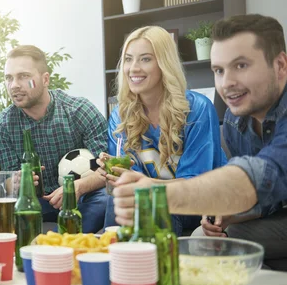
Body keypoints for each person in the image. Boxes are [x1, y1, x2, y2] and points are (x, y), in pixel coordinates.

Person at [113, 14, 287, 269]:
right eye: (219, 70)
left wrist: (155, 194)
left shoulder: (201, 110)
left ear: (280, 65)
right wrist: (228, 213)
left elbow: (266, 173)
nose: (227, 83)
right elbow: (267, 197)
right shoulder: (233, 121)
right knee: (204, 238)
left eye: (241, 66)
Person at [96, 26, 227, 236]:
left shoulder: (198, 109)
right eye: (128, 59)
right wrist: (116, 174)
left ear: (164, 64)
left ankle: (152, 265)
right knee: (121, 196)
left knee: (154, 200)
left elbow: (195, 183)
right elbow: (131, 183)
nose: (133, 68)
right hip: (152, 202)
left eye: (145, 59)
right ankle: (113, 260)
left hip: (199, 204)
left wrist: (144, 185)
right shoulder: (120, 116)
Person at [0, 45, 108, 233]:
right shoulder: (3, 124)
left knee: (106, 198)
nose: (14, 85)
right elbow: (7, 181)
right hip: (36, 202)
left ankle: (72, 242)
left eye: (23, 76)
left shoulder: (80, 110)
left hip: (82, 197)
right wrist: (15, 182)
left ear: (45, 79)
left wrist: (77, 187)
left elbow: (108, 169)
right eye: (9, 78)